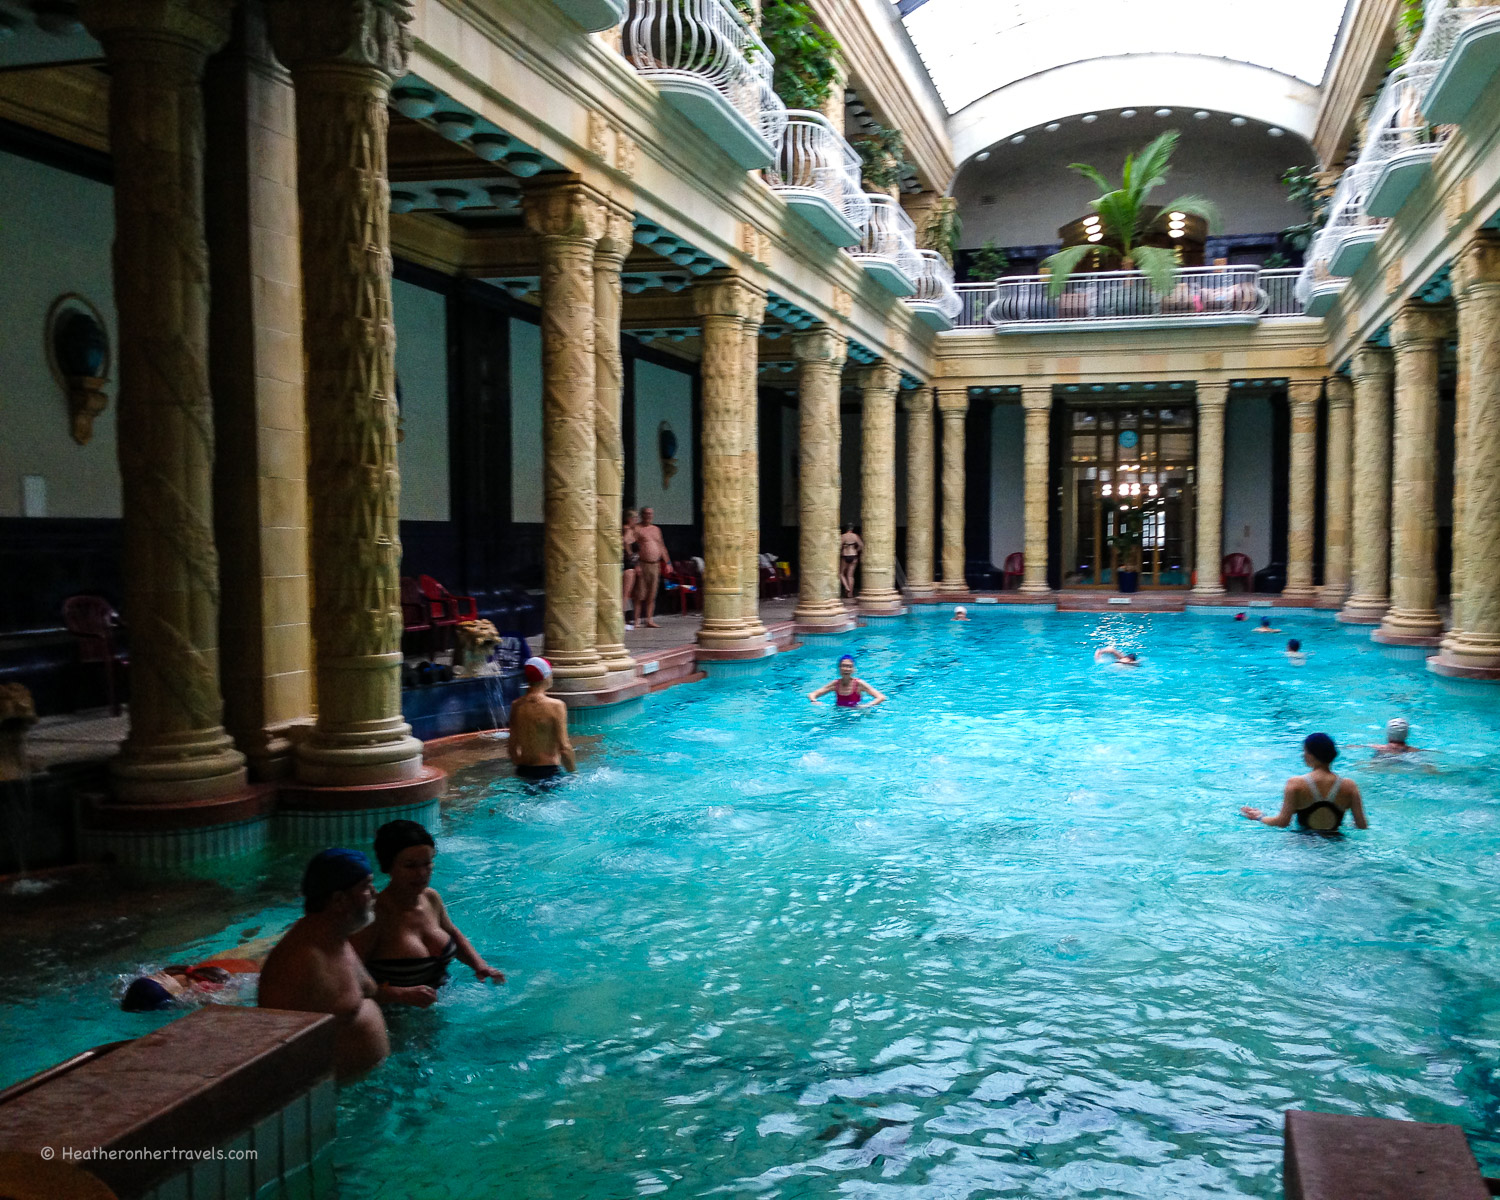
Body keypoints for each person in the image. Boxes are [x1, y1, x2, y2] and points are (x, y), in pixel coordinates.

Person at [258, 849, 389, 1081]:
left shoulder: (336, 938)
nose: (375, 893)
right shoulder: (302, 961)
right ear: (339, 900)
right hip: (343, 1101)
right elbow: (284, 1051)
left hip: (366, 1085)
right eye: (366, 886)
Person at [353, 821, 505, 1003]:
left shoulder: (431, 898)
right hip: (394, 1021)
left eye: (427, 863)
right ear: (388, 866)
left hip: (442, 1008)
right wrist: (401, 995)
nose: (422, 873)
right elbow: (350, 984)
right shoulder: (372, 917)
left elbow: (453, 934)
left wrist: (479, 966)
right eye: (410, 866)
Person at [1241, 732, 1368, 833]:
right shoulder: (1349, 786)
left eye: (1305, 751)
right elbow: (1362, 825)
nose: (1303, 756)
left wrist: (1260, 817)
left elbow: (1282, 822)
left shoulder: (1295, 784)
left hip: (1304, 845)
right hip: (1337, 844)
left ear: (1311, 755)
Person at [507, 656, 576, 783]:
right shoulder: (556, 706)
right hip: (548, 772)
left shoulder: (516, 706)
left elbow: (512, 748)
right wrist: (574, 774)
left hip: (523, 771)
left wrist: (521, 767)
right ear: (546, 676)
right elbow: (564, 748)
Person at [809, 654, 886, 708]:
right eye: (843, 666)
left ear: (853, 670)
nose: (846, 669)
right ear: (839, 668)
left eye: (849, 667)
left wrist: (867, 705)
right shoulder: (835, 684)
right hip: (839, 714)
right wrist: (814, 701)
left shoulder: (859, 684)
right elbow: (813, 694)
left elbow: (881, 697)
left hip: (855, 714)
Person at [635, 507, 668, 628]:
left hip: (655, 565)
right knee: (640, 593)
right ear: (642, 515)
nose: (648, 516)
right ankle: (637, 619)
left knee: (652, 594)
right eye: (646, 513)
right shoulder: (637, 529)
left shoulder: (656, 529)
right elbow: (633, 548)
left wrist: (668, 563)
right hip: (643, 564)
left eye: (650, 514)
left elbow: (661, 546)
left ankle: (649, 619)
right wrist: (636, 564)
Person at [622, 509, 640, 630]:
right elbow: (625, 542)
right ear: (629, 519)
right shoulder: (627, 529)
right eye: (635, 518)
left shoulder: (631, 530)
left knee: (627, 594)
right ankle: (621, 619)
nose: (636, 521)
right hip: (628, 566)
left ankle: (625, 618)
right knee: (625, 594)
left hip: (631, 565)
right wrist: (629, 552)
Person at [839, 524, 863, 599]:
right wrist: (856, 550)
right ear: (852, 529)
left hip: (845, 555)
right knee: (850, 575)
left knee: (841, 573)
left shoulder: (843, 536)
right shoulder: (855, 536)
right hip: (854, 555)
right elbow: (861, 545)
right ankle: (850, 594)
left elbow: (839, 546)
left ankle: (846, 587)